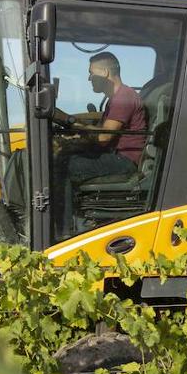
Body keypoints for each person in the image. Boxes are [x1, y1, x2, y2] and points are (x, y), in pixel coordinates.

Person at [53, 52, 147, 236]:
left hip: (124, 161)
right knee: (65, 155)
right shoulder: (118, 97)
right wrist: (73, 140)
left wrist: (68, 121)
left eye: (91, 73)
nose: (89, 78)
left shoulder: (123, 98)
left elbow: (104, 137)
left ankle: (64, 232)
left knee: (63, 166)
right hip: (116, 156)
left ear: (104, 72)